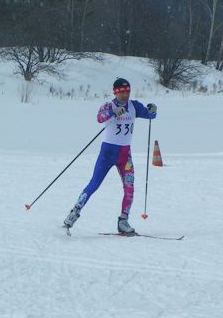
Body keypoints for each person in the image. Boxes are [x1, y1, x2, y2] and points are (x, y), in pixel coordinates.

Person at [63, 78, 157, 234]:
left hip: (125, 155)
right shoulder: (108, 105)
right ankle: (73, 213)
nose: (125, 95)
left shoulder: (134, 106)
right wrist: (113, 112)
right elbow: (100, 118)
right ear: (115, 92)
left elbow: (150, 116)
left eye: (127, 91)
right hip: (107, 153)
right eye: (121, 92)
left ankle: (123, 221)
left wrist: (152, 109)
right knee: (94, 184)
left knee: (129, 188)